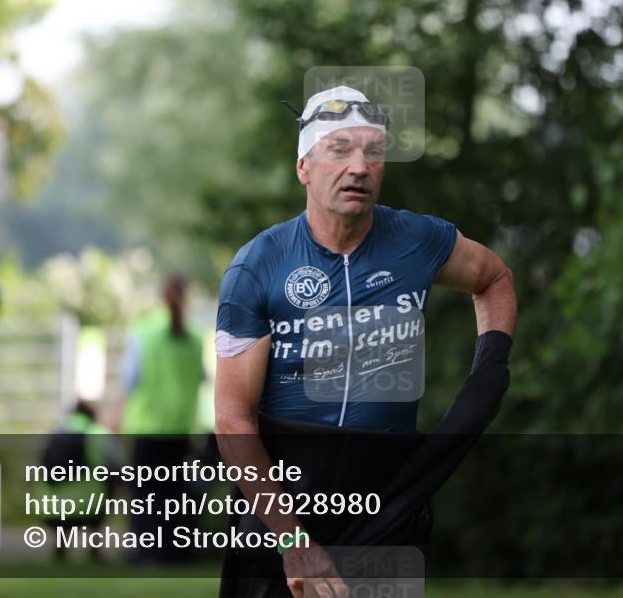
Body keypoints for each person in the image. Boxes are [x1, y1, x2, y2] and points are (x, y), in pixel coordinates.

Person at [214, 85, 517, 597]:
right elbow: (232, 420)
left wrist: (490, 370)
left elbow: (495, 278)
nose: (359, 166)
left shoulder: (418, 241)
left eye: (373, 153)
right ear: (304, 167)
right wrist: (293, 540)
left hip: (389, 495)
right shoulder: (259, 265)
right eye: (339, 150)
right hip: (285, 498)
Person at [118, 275, 205, 563]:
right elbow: (202, 378)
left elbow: (129, 380)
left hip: (147, 427)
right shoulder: (193, 337)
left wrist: (114, 413)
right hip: (180, 428)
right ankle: (174, 551)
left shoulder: (142, 333)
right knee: (174, 494)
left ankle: (146, 552)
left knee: (146, 495)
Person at [38, 400, 118, 563]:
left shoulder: (56, 435)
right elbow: (116, 466)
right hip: (89, 505)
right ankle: (94, 548)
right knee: (110, 483)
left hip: (52, 507)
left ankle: (60, 548)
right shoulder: (98, 434)